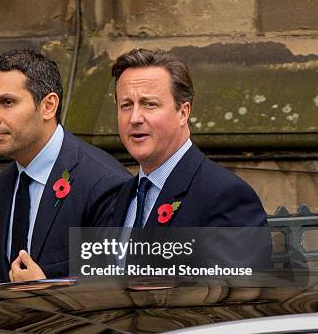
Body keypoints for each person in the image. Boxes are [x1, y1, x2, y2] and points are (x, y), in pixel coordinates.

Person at [110, 48, 272, 270]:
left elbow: (239, 295)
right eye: (126, 105)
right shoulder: (123, 196)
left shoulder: (226, 196)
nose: (135, 118)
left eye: (150, 104)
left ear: (183, 113)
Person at [0, 49, 131, 283]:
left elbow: (111, 295)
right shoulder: (1, 187)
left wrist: (47, 293)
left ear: (48, 106)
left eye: (6, 102)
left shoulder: (104, 184)